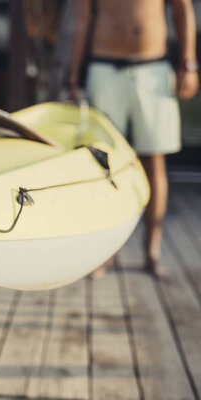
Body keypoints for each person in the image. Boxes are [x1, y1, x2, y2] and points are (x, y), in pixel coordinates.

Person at [68, 0, 198, 278]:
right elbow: (83, 21)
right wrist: (73, 77)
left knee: (154, 160)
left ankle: (152, 249)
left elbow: (182, 10)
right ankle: (106, 252)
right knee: (103, 163)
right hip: (104, 67)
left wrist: (189, 63)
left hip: (154, 68)